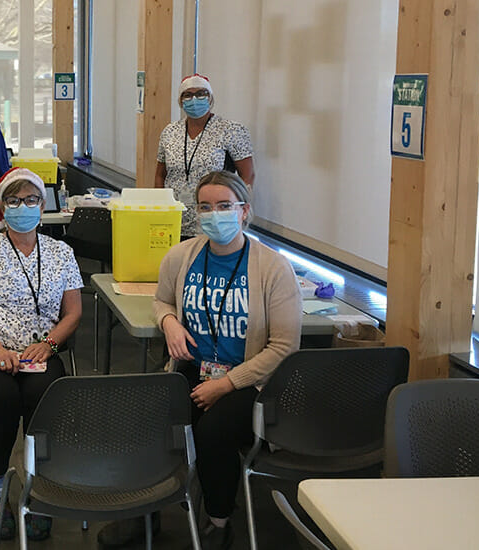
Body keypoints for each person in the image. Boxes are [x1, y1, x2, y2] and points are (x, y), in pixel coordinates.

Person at [154, 171, 300, 548]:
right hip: (192, 370)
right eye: (205, 207)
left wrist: (226, 384)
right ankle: (146, 515)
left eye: (224, 206)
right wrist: (169, 323)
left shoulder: (272, 268)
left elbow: (284, 347)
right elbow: (163, 300)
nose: (213, 215)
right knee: (150, 416)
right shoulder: (180, 256)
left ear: (244, 211)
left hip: (251, 381)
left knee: (212, 432)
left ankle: (219, 523)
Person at [0, 168, 82, 541]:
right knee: (2, 396)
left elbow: (73, 312)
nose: (22, 207)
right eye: (13, 200)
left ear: (43, 205)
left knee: (45, 396)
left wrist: (51, 344)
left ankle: (38, 486)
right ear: (1, 208)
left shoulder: (61, 252)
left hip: (39, 350)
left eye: (30, 200)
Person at [155, 74, 256, 238]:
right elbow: (160, 175)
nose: (194, 99)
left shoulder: (231, 130)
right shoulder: (169, 132)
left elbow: (248, 175)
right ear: (180, 101)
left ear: (210, 98)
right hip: (174, 220)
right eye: (187, 95)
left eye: (201, 93)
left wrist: (235, 212)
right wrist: (160, 208)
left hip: (213, 219)